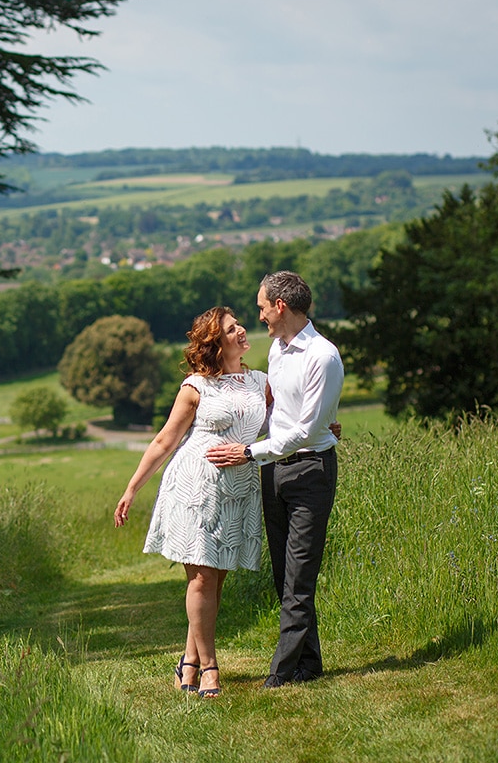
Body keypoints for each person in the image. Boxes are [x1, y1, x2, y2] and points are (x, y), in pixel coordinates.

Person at [114, 307, 268, 698]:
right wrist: (132, 488)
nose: (242, 331)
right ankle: (211, 668)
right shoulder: (196, 386)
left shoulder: (262, 383)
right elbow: (165, 441)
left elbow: (283, 427)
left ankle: (188, 662)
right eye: (232, 329)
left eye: (239, 325)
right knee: (200, 578)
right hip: (195, 488)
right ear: (216, 343)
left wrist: (322, 428)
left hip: (238, 492)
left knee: (214, 583)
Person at [206, 271, 344, 689]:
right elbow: (279, 415)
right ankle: (309, 664)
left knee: (300, 577)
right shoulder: (278, 352)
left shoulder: (323, 356)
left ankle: (280, 674)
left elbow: (304, 432)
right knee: (285, 575)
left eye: (262, 306)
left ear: (280, 306)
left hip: (309, 473)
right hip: (275, 471)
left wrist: (248, 452)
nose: (260, 315)